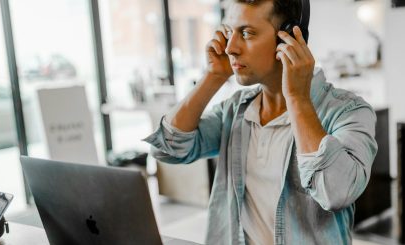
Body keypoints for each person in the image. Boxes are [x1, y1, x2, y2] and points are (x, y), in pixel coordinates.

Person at [144, 0, 378, 244]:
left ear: (288, 38)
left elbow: (336, 193)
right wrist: (213, 77)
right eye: (229, 33)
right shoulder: (235, 110)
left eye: (246, 33)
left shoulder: (349, 111)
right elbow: (165, 149)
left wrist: (297, 98)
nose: (230, 48)